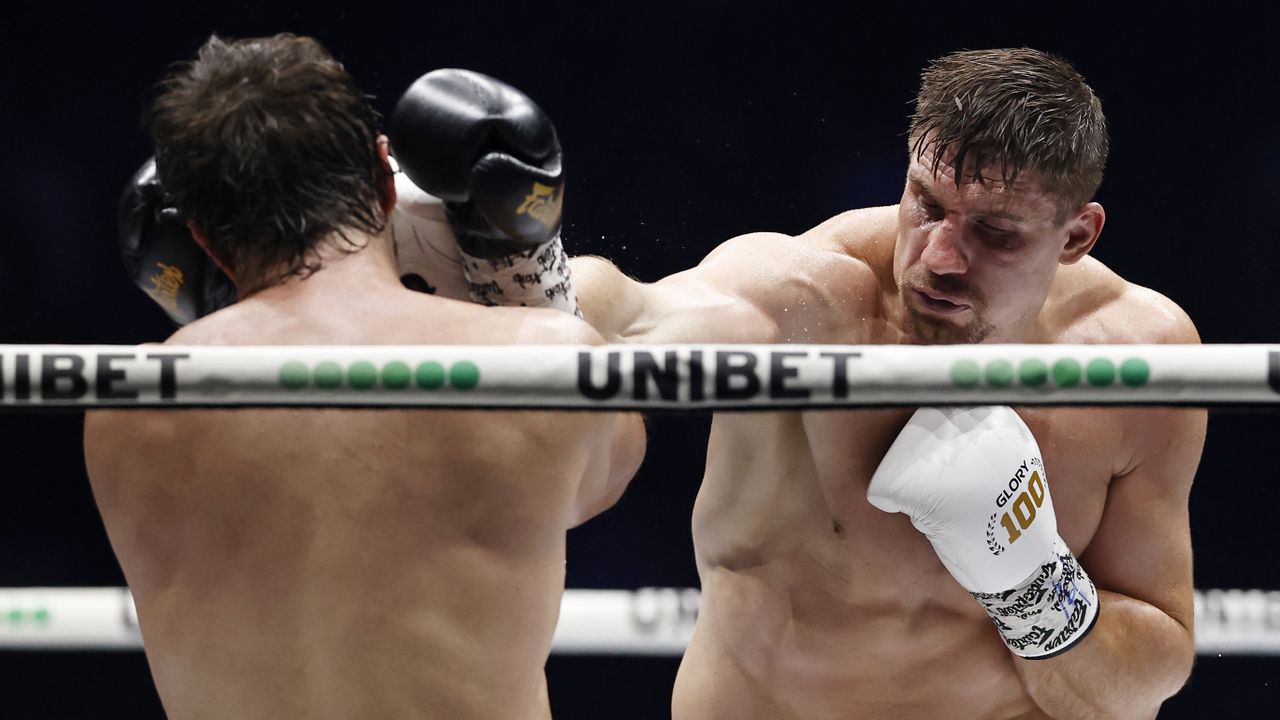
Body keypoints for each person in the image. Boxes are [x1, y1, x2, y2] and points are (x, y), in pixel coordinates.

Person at [409, 48, 1202, 718]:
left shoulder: (1139, 359)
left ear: (1077, 235)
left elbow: (1146, 679)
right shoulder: (815, 300)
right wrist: (519, 260)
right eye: (925, 206)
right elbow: (637, 313)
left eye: (995, 233)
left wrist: (1032, 582)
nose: (939, 258)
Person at [84, 33, 645, 720]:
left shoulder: (125, 410)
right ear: (387, 179)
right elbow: (601, 481)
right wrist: (521, 277)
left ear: (200, 238)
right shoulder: (541, 362)